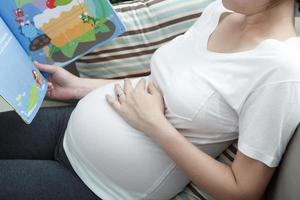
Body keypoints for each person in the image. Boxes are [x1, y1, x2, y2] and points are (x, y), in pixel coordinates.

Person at [1, 0, 300, 199]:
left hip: (97, 186)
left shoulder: (281, 70)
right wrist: (79, 87)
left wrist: (157, 126)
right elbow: (159, 88)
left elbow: (242, 191)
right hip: (69, 126)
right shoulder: (220, 13)